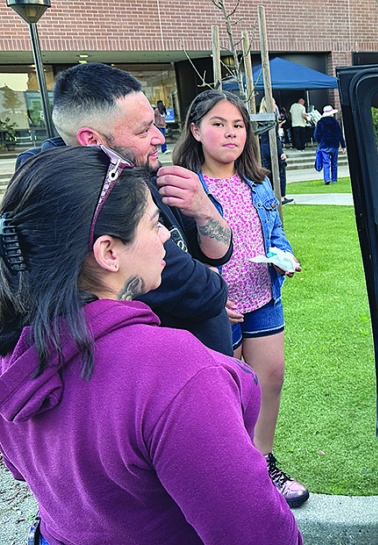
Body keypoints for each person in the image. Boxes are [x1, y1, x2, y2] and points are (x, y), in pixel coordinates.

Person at [0, 145, 302, 545]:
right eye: (154, 223)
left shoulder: (13, 353)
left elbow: (29, 470)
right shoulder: (175, 370)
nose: (165, 237)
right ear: (108, 252)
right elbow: (257, 533)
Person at [15, 63, 234, 356]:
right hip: (161, 377)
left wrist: (205, 209)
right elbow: (204, 292)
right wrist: (212, 278)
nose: (159, 137)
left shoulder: (141, 171)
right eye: (144, 130)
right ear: (92, 141)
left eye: (154, 123)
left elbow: (218, 252)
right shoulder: (82, 205)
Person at [174, 89, 309, 509]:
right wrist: (209, 293)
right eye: (218, 124)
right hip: (218, 307)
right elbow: (176, 252)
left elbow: (274, 233)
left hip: (263, 295)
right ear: (195, 130)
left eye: (238, 125)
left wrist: (284, 256)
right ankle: (237, 473)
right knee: (228, 394)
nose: (231, 133)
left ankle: (264, 460)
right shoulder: (182, 184)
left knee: (270, 378)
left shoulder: (258, 180)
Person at [260, 97, 292, 204]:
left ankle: (269, 196)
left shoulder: (260, 117)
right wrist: (281, 152)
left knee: (267, 174)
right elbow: (275, 137)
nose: (275, 105)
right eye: (274, 103)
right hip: (272, 147)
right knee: (280, 172)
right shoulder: (272, 118)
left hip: (263, 148)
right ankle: (281, 196)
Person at [314, 104, 346, 185]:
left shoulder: (320, 122)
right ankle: (334, 179)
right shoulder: (335, 122)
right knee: (334, 163)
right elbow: (339, 134)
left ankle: (327, 178)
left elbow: (316, 135)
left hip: (324, 145)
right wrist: (343, 145)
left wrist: (320, 142)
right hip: (334, 145)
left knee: (326, 163)